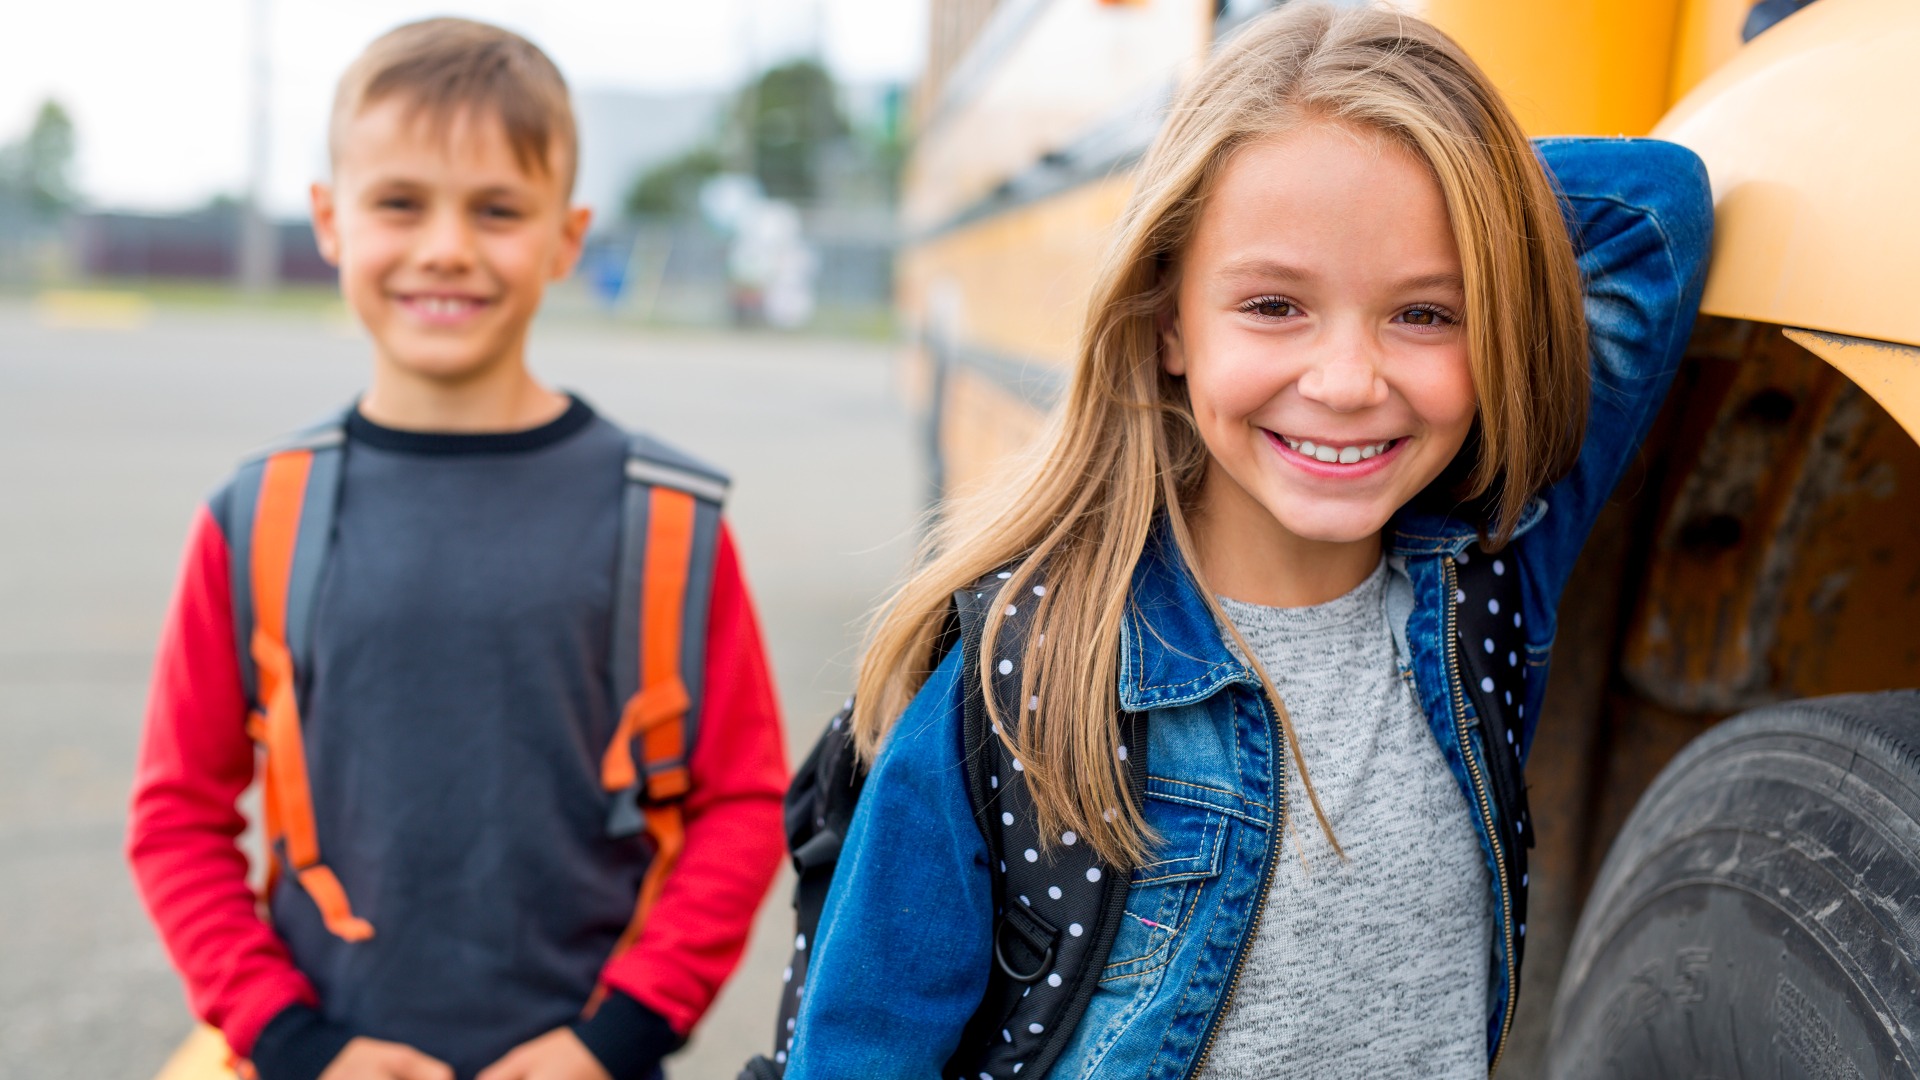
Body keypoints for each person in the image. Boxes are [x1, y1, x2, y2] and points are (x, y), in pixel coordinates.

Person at [786, 5, 1710, 1078]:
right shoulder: (1031, 671)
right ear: (1168, 319)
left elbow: (1662, 209)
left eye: (1426, 314)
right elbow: (860, 1048)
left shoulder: (1488, 574)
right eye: (1275, 304)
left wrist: (1422, 177)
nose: (1349, 382)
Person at [127, 19, 787, 1080]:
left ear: (567, 237)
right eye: (400, 203)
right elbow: (177, 816)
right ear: (329, 220)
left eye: (496, 210)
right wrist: (295, 1041)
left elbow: (741, 803)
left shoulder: (668, 520)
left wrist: (617, 1035)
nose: (445, 246)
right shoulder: (254, 517)